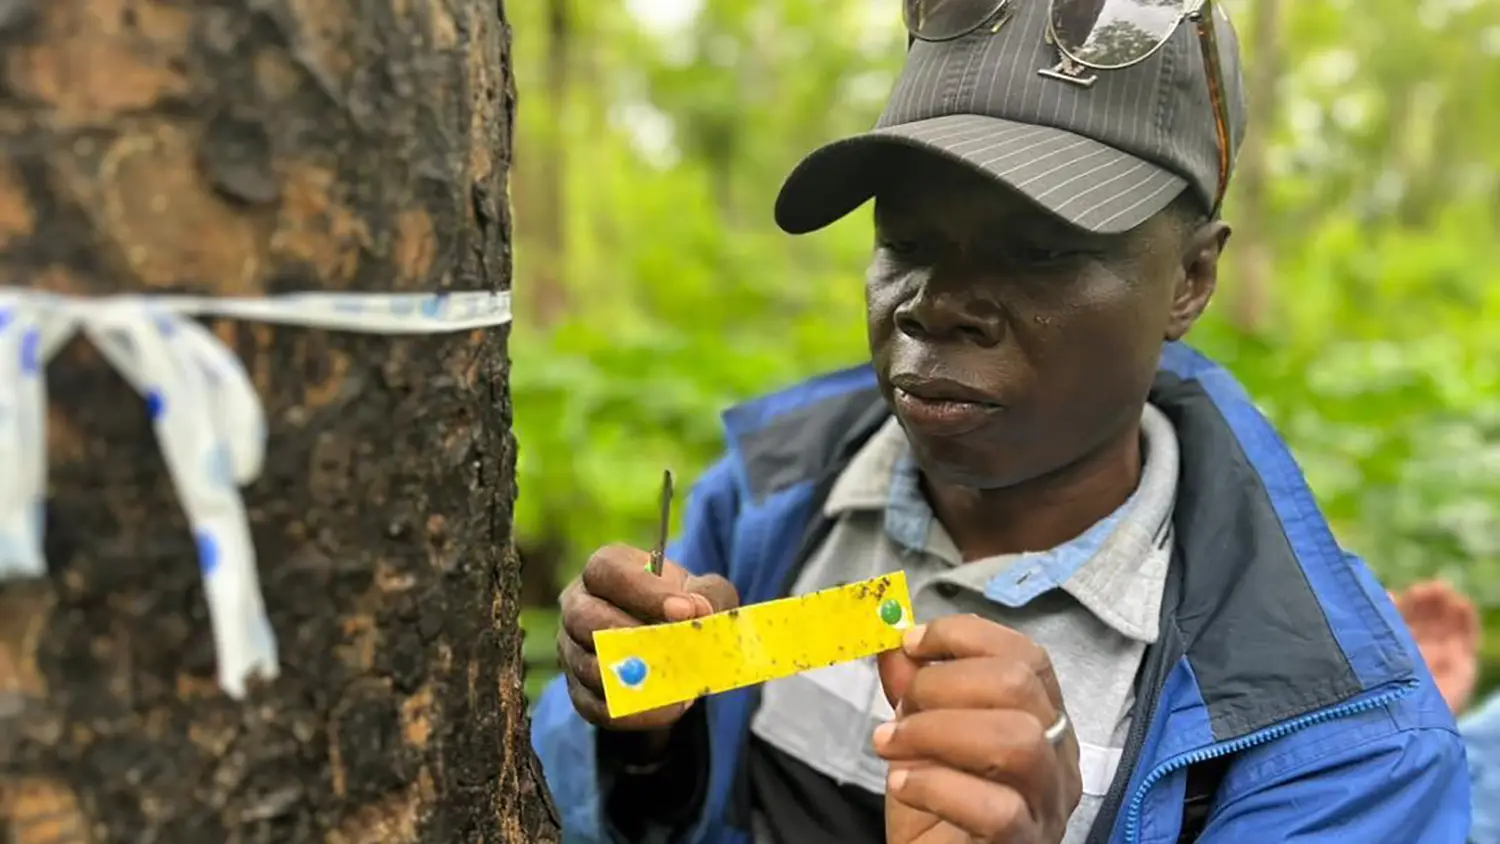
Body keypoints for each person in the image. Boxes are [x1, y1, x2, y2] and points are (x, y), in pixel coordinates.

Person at [531, 0, 1471, 841]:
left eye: (1039, 250)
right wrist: (645, 742)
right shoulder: (773, 497)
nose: (934, 305)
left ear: (1191, 280)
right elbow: (607, 804)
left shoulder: (1342, 736)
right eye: (904, 241)